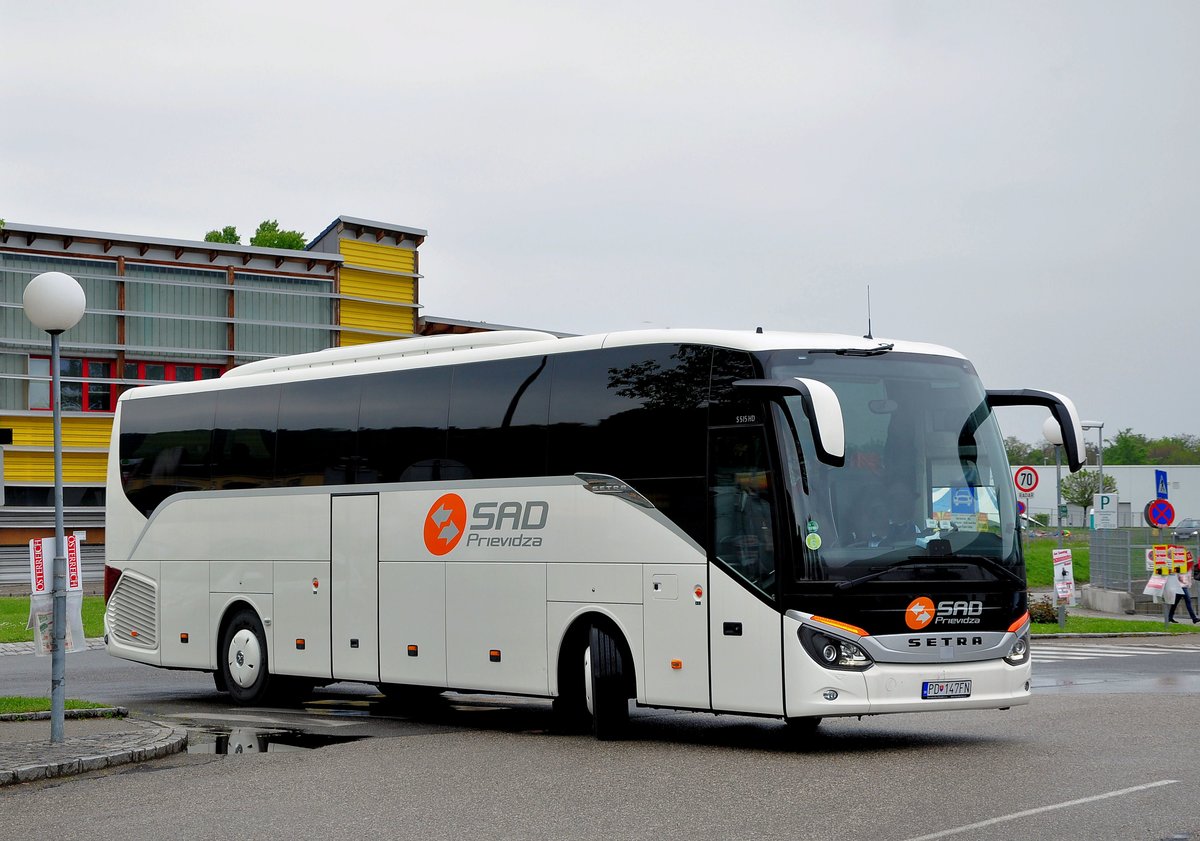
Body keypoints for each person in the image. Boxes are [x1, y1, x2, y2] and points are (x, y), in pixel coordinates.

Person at [1165, 558, 1199, 624]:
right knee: (1188, 601)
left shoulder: (1188, 568)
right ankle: (1194, 618)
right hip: (1181, 587)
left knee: (1175, 603)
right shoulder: (1181, 566)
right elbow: (1177, 574)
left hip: (1183, 586)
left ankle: (1169, 617)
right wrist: (1181, 580)